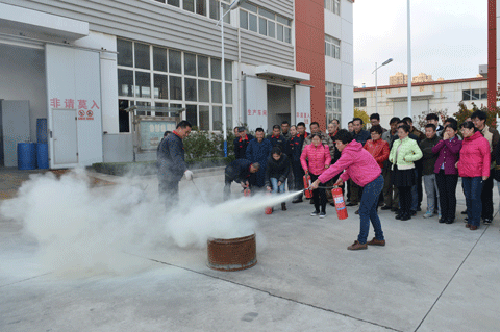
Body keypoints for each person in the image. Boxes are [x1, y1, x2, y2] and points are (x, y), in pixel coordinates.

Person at [310, 129, 385, 251]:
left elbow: (336, 167)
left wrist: (318, 181)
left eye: (338, 143)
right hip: (375, 181)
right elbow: (352, 167)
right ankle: (379, 238)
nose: (336, 145)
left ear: (345, 143)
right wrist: (342, 178)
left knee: (364, 211)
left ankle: (362, 241)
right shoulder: (353, 149)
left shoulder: (350, 152)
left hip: (373, 182)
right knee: (370, 211)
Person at [457, 121, 491, 230]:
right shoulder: (464, 142)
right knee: (468, 197)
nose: (463, 132)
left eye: (465, 129)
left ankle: (475, 221)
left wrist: (485, 173)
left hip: (477, 174)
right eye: (462, 130)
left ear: (472, 129)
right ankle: (470, 219)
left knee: (475, 197)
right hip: (465, 174)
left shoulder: (481, 140)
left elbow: (486, 157)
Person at [471, 109, 499, 225]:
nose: (474, 123)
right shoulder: (472, 132)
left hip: (488, 168)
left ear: (483, 120)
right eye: (473, 120)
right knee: (477, 193)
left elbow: (496, 150)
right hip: (475, 169)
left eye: (476, 120)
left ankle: (488, 216)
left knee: (487, 192)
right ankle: (479, 214)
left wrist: (486, 160)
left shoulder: (492, 132)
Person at [389, 124, 423, 221]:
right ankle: (402, 210)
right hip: (397, 169)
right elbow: (392, 152)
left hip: (407, 169)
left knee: (407, 192)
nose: (399, 134)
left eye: (401, 132)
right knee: (400, 191)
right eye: (398, 132)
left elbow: (419, 154)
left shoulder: (412, 142)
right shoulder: (396, 142)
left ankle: (407, 212)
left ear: (407, 133)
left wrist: (408, 158)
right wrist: (392, 159)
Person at [157, 121, 193, 203]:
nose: (187, 135)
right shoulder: (174, 139)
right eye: (186, 132)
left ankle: (171, 215)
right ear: (179, 128)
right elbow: (176, 156)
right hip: (168, 175)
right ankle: (172, 215)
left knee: (170, 200)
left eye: (189, 133)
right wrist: (185, 170)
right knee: (172, 201)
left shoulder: (173, 138)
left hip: (166, 174)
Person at [432, 122, 462, 224]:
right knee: (442, 194)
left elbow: (454, 151)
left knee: (450, 194)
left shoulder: (458, 141)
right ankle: (443, 215)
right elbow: (434, 150)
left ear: (455, 132)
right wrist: (443, 141)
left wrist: (446, 141)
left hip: (451, 171)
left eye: (450, 130)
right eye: (446, 130)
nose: (447, 132)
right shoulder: (441, 140)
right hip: (440, 170)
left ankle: (451, 216)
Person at [301, 133, 331, 218]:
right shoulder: (307, 147)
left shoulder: (325, 147)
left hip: (322, 173)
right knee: (314, 192)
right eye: (314, 139)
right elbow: (302, 158)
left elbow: (328, 157)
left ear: (321, 140)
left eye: (318, 139)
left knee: (322, 192)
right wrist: (305, 168)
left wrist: (326, 163)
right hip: (312, 172)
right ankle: (317, 209)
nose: (316, 141)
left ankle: (323, 211)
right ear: (311, 140)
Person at [363, 125, 390, 211]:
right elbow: (363, 152)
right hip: (367, 167)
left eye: (375, 134)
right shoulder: (368, 142)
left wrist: (375, 159)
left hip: (378, 167)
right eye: (372, 133)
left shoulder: (384, 143)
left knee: (375, 188)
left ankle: (374, 207)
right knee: (367, 188)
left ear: (380, 134)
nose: (373, 135)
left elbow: (386, 155)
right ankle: (366, 206)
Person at [419, 124, 441, 219]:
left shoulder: (439, 140)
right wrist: (432, 151)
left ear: (434, 131)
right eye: (426, 131)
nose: (427, 133)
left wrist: (429, 151)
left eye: (429, 131)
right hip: (427, 171)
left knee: (439, 193)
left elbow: (438, 152)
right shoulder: (423, 142)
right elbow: (421, 154)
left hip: (437, 171)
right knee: (429, 193)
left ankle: (441, 211)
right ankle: (430, 210)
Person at [347, 118, 370, 207]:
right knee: (353, 182)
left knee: (363, 183)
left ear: (361, 125)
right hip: (352, 162)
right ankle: (353, 200)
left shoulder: (366, 134)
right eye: (354, 125)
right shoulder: (350, 135)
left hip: (363, 162)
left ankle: (363, 201)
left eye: (357, 125)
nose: (356, 127)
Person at [381, 118, 400, 211]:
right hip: (386, 163)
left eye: (396, 125)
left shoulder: (400, 134)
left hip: (396, 163)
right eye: (393, 124)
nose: (394, 127)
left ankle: (396, 204)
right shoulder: (385, 135)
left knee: (396, 185)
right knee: (386, 184)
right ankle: (387, 202)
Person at [291, 122, 309, 203]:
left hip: (308, 162)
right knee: (298, 180)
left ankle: (310, 195)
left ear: (305, 128)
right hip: (297, 163)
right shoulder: (295, 138)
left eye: (302, 128)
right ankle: (299, 197)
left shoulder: (309, 136)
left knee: (309, 179)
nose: (300, 130)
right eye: (299, 128)